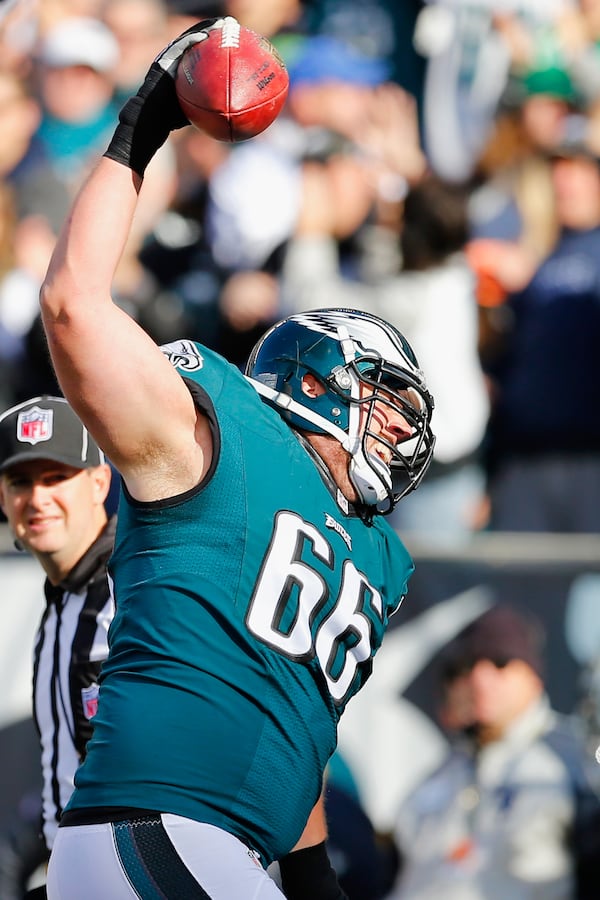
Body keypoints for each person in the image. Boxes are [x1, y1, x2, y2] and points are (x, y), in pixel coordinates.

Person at [37, 16, 435, 900]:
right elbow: (72, 304)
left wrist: (311, 873)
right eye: (389, 403)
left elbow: (288, 710)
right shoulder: (230, 438)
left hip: (227, 847)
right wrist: (143, 123)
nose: (404, 434)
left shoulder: (376, 553)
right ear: (320, 385)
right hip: (160, 826)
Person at [386, 604, 600, 899]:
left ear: (534, 676)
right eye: (466, 667)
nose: (479, 679)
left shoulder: (576, 762)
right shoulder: (436, 777)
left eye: (500, 663)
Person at [0, 395, 115, 897]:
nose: (37, 498)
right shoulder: (60, 605)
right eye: (21, 482)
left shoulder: (135, 589)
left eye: (55, 477)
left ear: (99, 482)